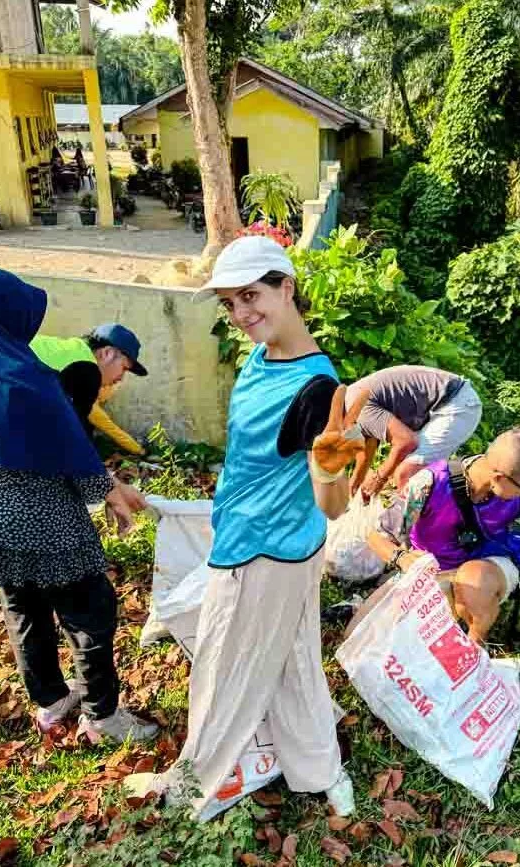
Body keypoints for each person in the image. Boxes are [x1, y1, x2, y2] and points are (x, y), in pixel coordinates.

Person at [124, 236, 366, 820]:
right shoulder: (262, 355)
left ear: (287, 287)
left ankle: (191, 783)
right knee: (293, 661)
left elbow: (332, 506)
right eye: (230, 303)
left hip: (268, 553)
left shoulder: (315, 391)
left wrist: (329, 466)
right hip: (254, 535)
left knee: (222, 670)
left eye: (251, 296)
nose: (240, 314)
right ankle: (325, 774)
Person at [0, 269, 158, 744]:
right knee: (90, 609)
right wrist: (108, 489)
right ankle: (103, 716)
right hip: (42, 519)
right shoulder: (22, 378)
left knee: (22, 606)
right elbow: (66, 448)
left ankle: (51, 700)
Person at [354, 427, 520, 645]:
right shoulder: (430, 483)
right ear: (498, 478)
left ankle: (471, 650)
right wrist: (403, 558)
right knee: (360, 633)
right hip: (431, 571)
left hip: (489, 564)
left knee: (473, 581)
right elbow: (377, 535)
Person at [346, 365, 482, 501]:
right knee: (402, 474)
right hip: (446, 402)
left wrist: (379, 478)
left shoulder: (358, 409)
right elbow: (370, 440)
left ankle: (430, 520)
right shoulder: (349, 399)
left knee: (405, 474)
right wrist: (357, 479)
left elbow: (406, 442)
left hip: (457, 404)